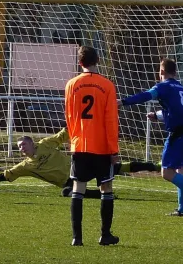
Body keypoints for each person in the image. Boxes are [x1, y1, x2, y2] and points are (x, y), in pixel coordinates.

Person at [118, 58, 183, 217]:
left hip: (178, 134)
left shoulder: (162, 86)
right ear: (175, 72)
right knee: (181, 169)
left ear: (161, 72)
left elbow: (146, 95)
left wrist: (123, 101)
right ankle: (182, 210)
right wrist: (157, 115)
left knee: (166, 173)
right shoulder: (180, 87)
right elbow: (175, 110)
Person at [0, 128, 160, 199]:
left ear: (31, 142)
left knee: (119, 167)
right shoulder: (25, 166)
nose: (22, 148)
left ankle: (156, 166)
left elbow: (63, 135)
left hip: (79, 167)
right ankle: (103, 195)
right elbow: (6, 175)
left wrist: (77, 124)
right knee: (67, 192)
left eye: (24, 144)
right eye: (19, 147)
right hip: (69, 182)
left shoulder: (45, 144)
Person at [65, 46, 120, 246]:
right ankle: (105, 235)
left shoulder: (71, 84)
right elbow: (111, 120)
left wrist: (74, 139)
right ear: (98, 60)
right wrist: (114, 150)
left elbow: (69, 116)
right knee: (106, 188)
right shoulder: (107, 85)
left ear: (80, 63)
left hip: (80, 144)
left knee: (78, 188)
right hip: (102, 147)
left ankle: (76, 238)